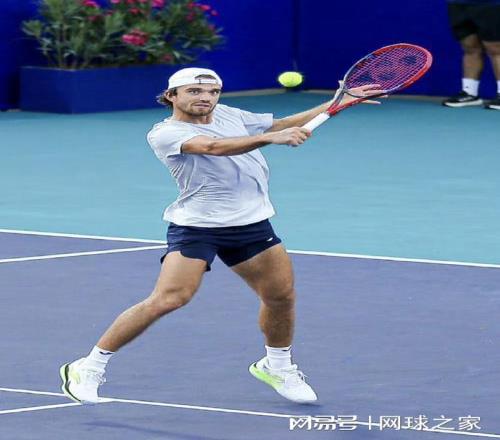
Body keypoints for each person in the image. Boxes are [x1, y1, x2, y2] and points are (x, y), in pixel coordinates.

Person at [60, 67, 382, 405]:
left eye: (213, 92)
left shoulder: (229, 115)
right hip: (198, 228)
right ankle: (88, 366)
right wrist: (268, 139)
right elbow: (213, 147)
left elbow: (279, 125)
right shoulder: (166, 133)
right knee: (169, 299)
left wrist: (337, 102)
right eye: (195, 91)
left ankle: (277, 366)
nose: (206, 98)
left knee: (280, 297)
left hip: (251, 225)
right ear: (172, 96)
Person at [443, 0, 500, 109]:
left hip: (492, 4)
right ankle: (470, 93)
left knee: (495, 47)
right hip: (459, 4)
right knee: (469, 47)